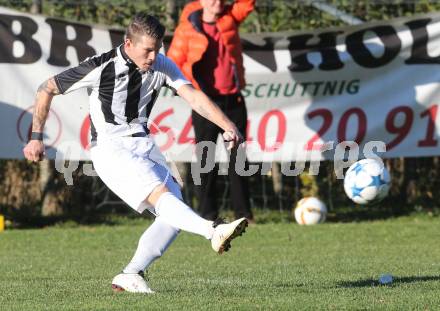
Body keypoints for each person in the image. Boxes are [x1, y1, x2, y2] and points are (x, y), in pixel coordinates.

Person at [23, 13, 248, 294]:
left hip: (144, 144)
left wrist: (227, 125)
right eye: (148, 50)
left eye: (157, 49)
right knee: (163, 198)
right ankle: (213, 230)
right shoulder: (101, 66)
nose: (154, 57)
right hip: (110, 148)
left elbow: (193, 96)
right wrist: (36, 137)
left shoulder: (162, 64)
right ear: (128, 43)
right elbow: (47, 88)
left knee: (173, 213)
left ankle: (131, 274)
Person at [167, 0, 255, 222]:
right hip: (205, 103)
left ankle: (244, 215)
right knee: (205, 159)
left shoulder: (230, 17)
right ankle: (207, 215)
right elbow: (172, 63)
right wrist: (188, 90)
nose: (218, 2)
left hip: (233, 100)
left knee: (239, 159)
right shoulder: (187, 27)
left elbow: (247, 4)